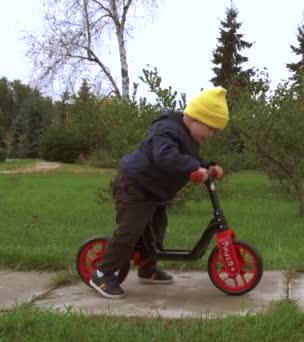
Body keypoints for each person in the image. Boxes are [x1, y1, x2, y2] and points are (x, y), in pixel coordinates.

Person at [90, 87, 229, 299]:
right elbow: (165, 155)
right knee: (129, 231)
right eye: (210, 129)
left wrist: (207, 166)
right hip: (134, 186)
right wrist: (192, 166)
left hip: (154, 192)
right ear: (197, 118)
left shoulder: (188, 137)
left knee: (156, 229)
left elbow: (185, 158)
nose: (211, 135)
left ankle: (147, 268)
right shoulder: (166, 129)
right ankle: (102, 274)